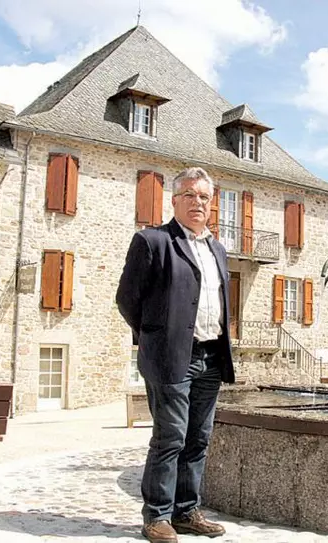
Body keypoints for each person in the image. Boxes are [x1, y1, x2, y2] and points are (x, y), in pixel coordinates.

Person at [116, 167, 235, 543]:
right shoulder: (152, 241)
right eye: (189, 195)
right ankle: (156, 516)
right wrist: (153, 337)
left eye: (203, 196)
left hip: (211, 356)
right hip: (170, 357)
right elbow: (127, 300)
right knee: (170, 437)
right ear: (174, 200)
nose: (197, 202)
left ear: (211, 203)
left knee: (198, 438)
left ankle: (187, 511)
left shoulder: (217, 248)